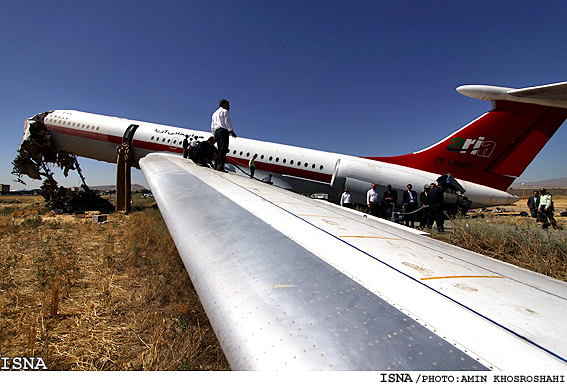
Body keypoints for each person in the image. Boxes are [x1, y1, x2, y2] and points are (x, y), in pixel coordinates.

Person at [211, 99, 237, 172]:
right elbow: (227, 121)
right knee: (223, 149)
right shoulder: (225, 112)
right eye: (228, 105)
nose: (229, 107)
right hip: (223, 131)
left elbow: (212, 124)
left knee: (219, 149)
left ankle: (216, 165)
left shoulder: (214, 113)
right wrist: (231, 131)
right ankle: (220, 166)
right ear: (224, 105)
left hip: (217, 131)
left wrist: (214, 134)